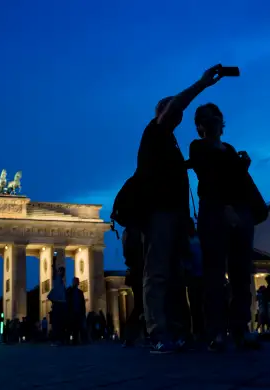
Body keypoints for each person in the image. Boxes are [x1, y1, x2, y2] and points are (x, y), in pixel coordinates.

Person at [112, 65, 226, 354]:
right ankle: (158, 332)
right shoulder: (155, 131)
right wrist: (201, 84)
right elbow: (176, 105)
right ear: (162, 113)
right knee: (158, 271)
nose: (179, 114)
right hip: (159, 213)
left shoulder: (169, 141)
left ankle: (178, 331)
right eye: (171, 109)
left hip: (175, 215)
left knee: (176, 275)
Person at [188, 102, 259, 351]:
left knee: (240, 272)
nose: (212, 121)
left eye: (214, 116)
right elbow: (208, 178)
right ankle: (217, 331)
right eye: (206, 118)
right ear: (200, 126)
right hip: (215, 211)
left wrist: (243, 167)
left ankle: (240, 328)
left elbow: (235, 181)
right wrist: (226, 206)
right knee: (214, 273)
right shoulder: (198, 147)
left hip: (239, 211)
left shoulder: (229, 149)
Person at [121, 227, 145, 347]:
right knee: (141, 305)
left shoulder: (127, 232)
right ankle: (131, 335)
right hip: (141, 271)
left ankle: (134, 335)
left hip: (137, 271)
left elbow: (126, 254)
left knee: (140, 305)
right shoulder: (137, 231)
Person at [48, 257, 67, 347]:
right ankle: (58, 340)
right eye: (61, 271)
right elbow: (54, 272)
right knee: (57, 323)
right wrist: (54, 262)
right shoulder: (57, 279)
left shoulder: (61, 282)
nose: (62, 273)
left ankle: (60, 339)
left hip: (61, 304)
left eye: (63, 271)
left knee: (60, 323)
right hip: (58, 304)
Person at [66, 277, 86, 345]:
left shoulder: (80, 292)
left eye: (77, 281)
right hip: (71, 313)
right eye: (75, 281)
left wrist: (83, 314)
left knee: (76, 329)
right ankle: (68, 341)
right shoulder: (69, 290)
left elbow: (83, 304)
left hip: (78, 313)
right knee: (70, 328)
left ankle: (75, 341)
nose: (76, 283)